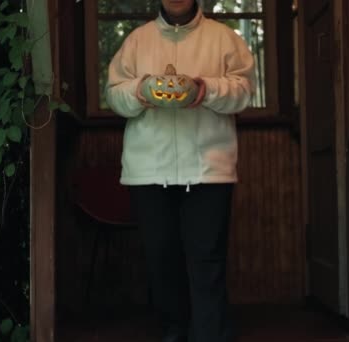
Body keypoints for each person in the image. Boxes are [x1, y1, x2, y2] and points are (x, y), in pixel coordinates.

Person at [105, 0, 255, 341]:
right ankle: (174, 329)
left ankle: (209, 334)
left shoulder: (224, 38)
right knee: (162, 260)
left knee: (207, 261)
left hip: (208, 168)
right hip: (148, 170)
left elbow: (244, 91)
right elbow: (114, 95)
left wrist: (207, 90)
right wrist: (141, 91)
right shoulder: (137, 41)